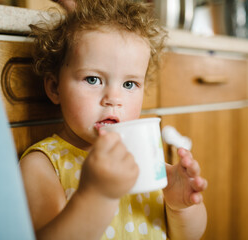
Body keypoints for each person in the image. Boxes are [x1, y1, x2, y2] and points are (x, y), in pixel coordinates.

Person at [20, 0, 208, 239]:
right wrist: (97, 196)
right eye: (93, 79)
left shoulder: (143, 157)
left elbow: (188, 236)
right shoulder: (43, 165)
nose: (113, 99)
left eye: (129, 84)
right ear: (55, 87)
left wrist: (180, 207)